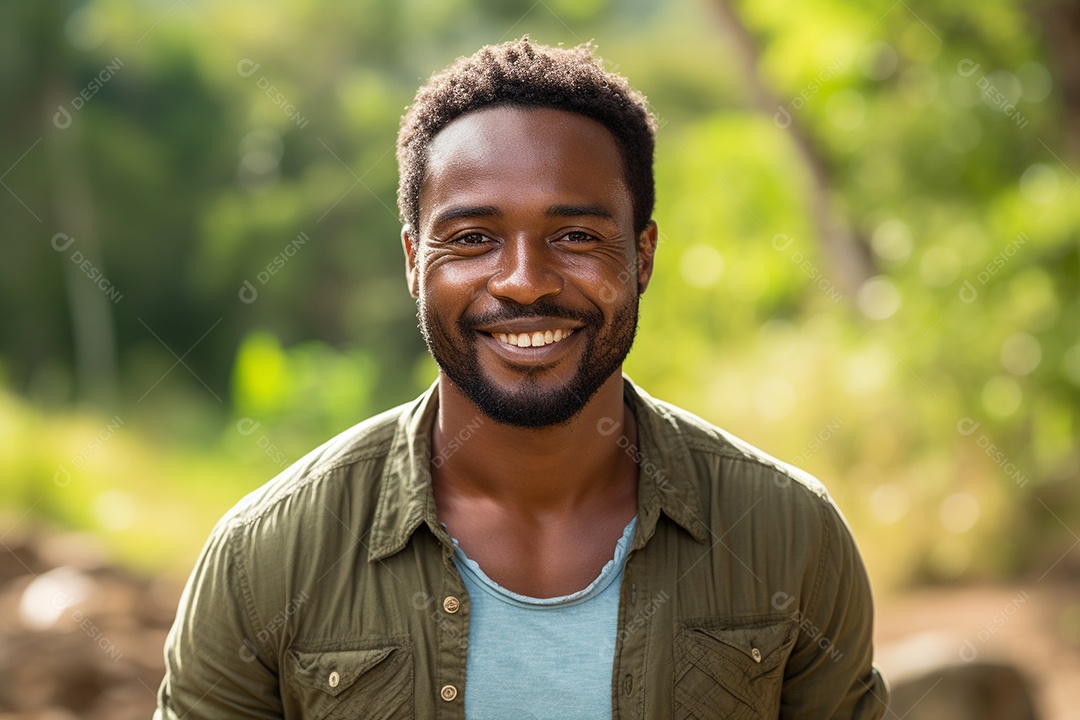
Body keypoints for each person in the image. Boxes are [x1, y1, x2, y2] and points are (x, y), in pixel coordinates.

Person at [156, 38, 889, 719]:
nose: (525, 283)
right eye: (474, 238)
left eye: (575, 236)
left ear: (644, 255)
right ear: (413, 260)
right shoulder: (267, 559)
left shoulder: (789, 537)